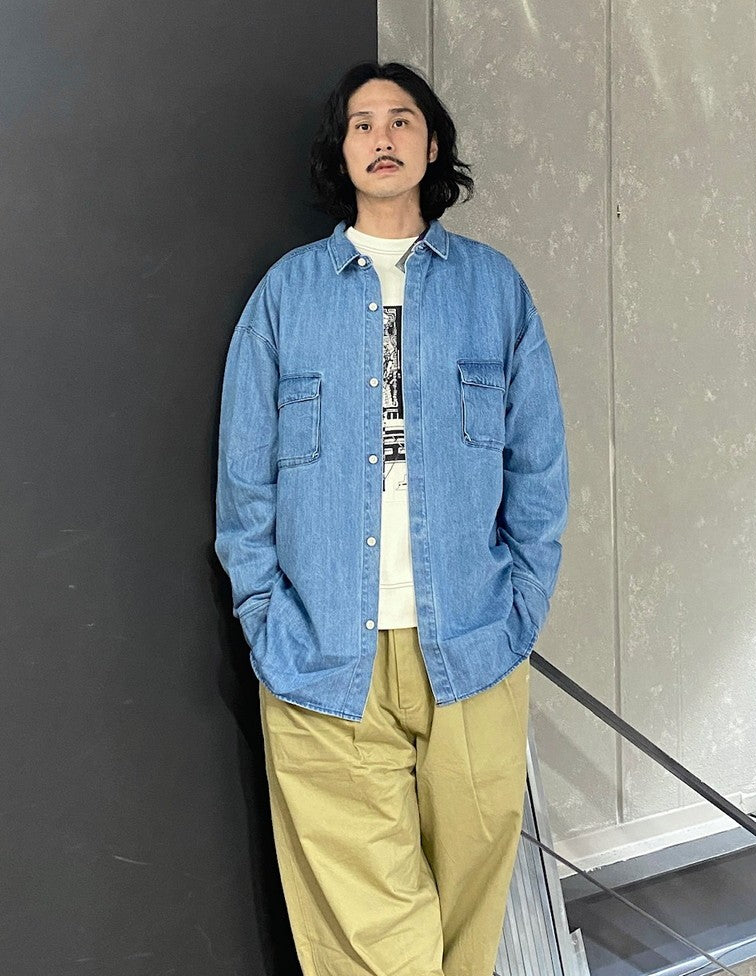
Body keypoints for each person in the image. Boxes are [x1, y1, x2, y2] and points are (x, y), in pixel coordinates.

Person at [214, 60, 570, 976]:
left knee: (468, 923)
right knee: (374, 938)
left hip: (476, 646)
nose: (382, 137)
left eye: (401, 119)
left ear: (432, 143)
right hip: (322, 655)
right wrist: (263, 615)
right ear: (341, 152)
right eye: (362, 123)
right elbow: (244, 481)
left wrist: (523, 607)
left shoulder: (494, 289)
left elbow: (538, 464)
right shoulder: (286, 294)